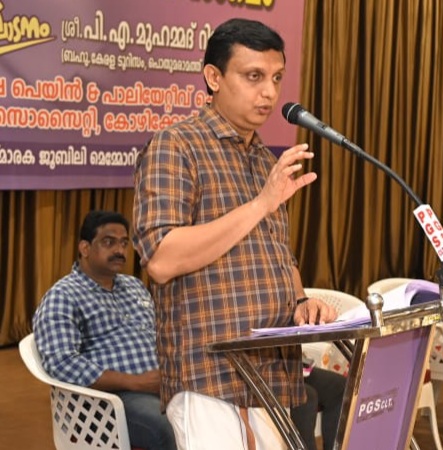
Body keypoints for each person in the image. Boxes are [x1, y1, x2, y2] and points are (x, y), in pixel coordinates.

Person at [132, 18, 338, 449]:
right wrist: (261, 204)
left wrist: (301, 301)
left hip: (271, 376)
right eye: (253, 76)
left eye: (277, 78)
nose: (270, 93)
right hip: (210, 377)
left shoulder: (264, 159)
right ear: (213, 77)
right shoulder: (176, 146)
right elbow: (162, 259)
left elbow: (278, 255)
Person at [33, 211, 176, 450]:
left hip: (162, 386)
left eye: (124, 243)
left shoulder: (134, 286)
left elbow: (161, 333)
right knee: (166, 427)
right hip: (107, 401)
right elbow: (61, 363)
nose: (119, 250)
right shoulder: (63, 295)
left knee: (216, 412)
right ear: (85, 248)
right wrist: (135, 382)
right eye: (108, 242)